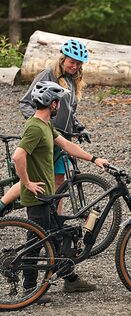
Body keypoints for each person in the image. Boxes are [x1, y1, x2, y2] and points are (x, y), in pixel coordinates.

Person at [12, 80, 108, 301]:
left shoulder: (46, 125)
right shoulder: (35, 127)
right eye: (57, 102)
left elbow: (67, 145)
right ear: (51, 103)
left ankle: (70, 278)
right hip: (37, 195)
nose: (59, 105)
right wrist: (27, 183)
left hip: (46, 194)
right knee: (35, 241)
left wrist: (94, 159)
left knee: (56, 235)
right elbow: (18, 157)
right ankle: (29, 289)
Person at [0, 38, 90, 216]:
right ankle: (2, 204)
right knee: (38, 176)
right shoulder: (47, 75)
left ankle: (55, 219)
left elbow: (70, 112)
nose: (75, 66)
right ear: (63, 59)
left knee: (59, 181)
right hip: (45, 137)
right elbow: (25, 103)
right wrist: (41, 123)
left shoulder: (73, 80)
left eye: (79, 64)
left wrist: (80, 128)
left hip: (62, 138)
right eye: (72, 62)